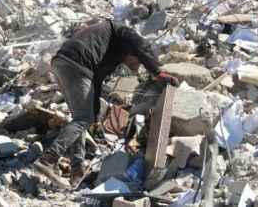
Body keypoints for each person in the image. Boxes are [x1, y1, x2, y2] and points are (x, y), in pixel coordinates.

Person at [33, 20, 179, 188]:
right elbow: (142, 46)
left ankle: (77, 170)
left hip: (63, 64)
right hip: (76, 65)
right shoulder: (123, 33)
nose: (135, 66)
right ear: (133, 52)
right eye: (136, 61)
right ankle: (47, 159)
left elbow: (96, 80)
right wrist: (158, 72)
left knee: (81, 119)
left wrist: (94, 111)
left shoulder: (109, 52)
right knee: (82, 119)